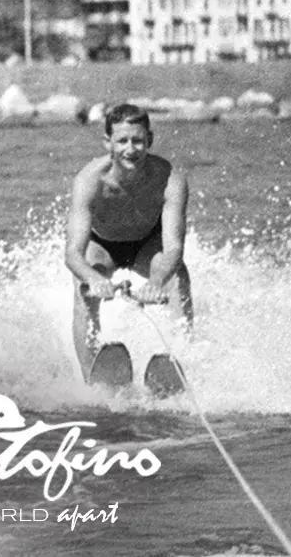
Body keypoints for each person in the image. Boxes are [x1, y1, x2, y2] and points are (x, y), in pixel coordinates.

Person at [64, 103, 193, 380]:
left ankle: (182, 362)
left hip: (148, 245)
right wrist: (94, 280)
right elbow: (73, 254)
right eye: (122, 141)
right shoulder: (89, 180)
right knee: (83, 285)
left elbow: (173, 248)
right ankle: (91, 377)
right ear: (108, 142)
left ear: (150, 140)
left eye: (138, 140)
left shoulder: (170, 179)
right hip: (103, 246)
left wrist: (157, 282)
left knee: (178, 278)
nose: (130, 149)